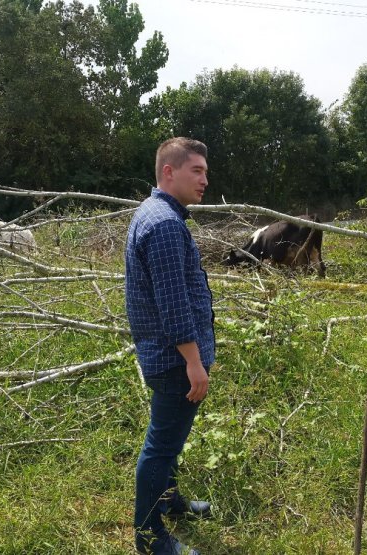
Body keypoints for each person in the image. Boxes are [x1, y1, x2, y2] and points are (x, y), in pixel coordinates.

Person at [125, 138, 215, 555]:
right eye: (196, 170)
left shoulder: (156, 214)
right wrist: (194, 363)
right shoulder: (163, 224)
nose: (205, 180)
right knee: (160, 446)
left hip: (168, 355)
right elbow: (173, 305)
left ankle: (170, 502)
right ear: (169, 172)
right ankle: (149, 536)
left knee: (172, 439)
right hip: (174, 359)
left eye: (205, 171)